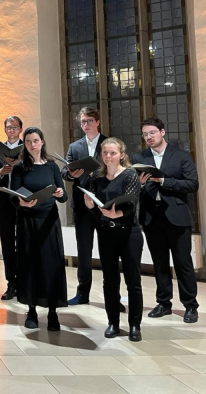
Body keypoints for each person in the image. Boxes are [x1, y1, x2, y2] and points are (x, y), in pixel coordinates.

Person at [133, 118, 200, 323]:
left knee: (183, 263)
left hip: (177, 218)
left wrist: (164, 181)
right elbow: (133, 189)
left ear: (162, 132)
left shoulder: (181, 156)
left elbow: (192, 184)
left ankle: (190, 306)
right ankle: (163, 303)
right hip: (152, 217)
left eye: (152, 133)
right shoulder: (139, 158)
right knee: (159, 263)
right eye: (145, 134)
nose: (148, 137)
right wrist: (141, 185)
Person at [84, 138, 143, 341]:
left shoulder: (130, 175)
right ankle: (113, 323)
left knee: (132, 281)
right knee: (109, 280)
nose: (108, 156)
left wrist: (116, 215)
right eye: (105, 153)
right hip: (106, 234)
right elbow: (95, 213)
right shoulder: (96, 178)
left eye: (113, 153)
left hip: (129, 233)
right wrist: (91, 207)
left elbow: (131, 204)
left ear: (122, 155)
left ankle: (135, 325)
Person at [10, 127, 68, 332]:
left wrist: (60, 192)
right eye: (27, 142)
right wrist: (21, 203)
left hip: (49, 221)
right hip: (27, 221)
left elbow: (63, 196)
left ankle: (53, 312)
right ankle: (32, 310)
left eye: (35, 141)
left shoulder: (52, 165)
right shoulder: (19, 167)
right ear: (24, 144)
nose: (32, 145)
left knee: (51, 264)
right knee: (30, 264)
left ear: (42, 142)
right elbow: (12, 195)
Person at [62, 107, 106, 306]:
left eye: (89, 121)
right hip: (81, 205)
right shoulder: (75, 146)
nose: (85, 125)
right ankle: (82, 293)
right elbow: (65, 171)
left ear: (97, 122)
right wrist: (72, 174)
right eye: (82, 122)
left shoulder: (108, 143)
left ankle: (110, 294)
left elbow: (118, 169)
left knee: (108, 251)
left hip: (104, 204)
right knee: (84, 251)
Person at [0, 116, 23, 301]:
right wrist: (1, 172)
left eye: (15, 127)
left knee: (24, 242)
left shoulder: (27, 149)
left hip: (24, 201)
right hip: (4, 203)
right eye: (8, 127)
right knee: (8, 245)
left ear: (20, 130)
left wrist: (19, 165)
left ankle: (24, 281)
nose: (11, 130)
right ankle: (12, 283)